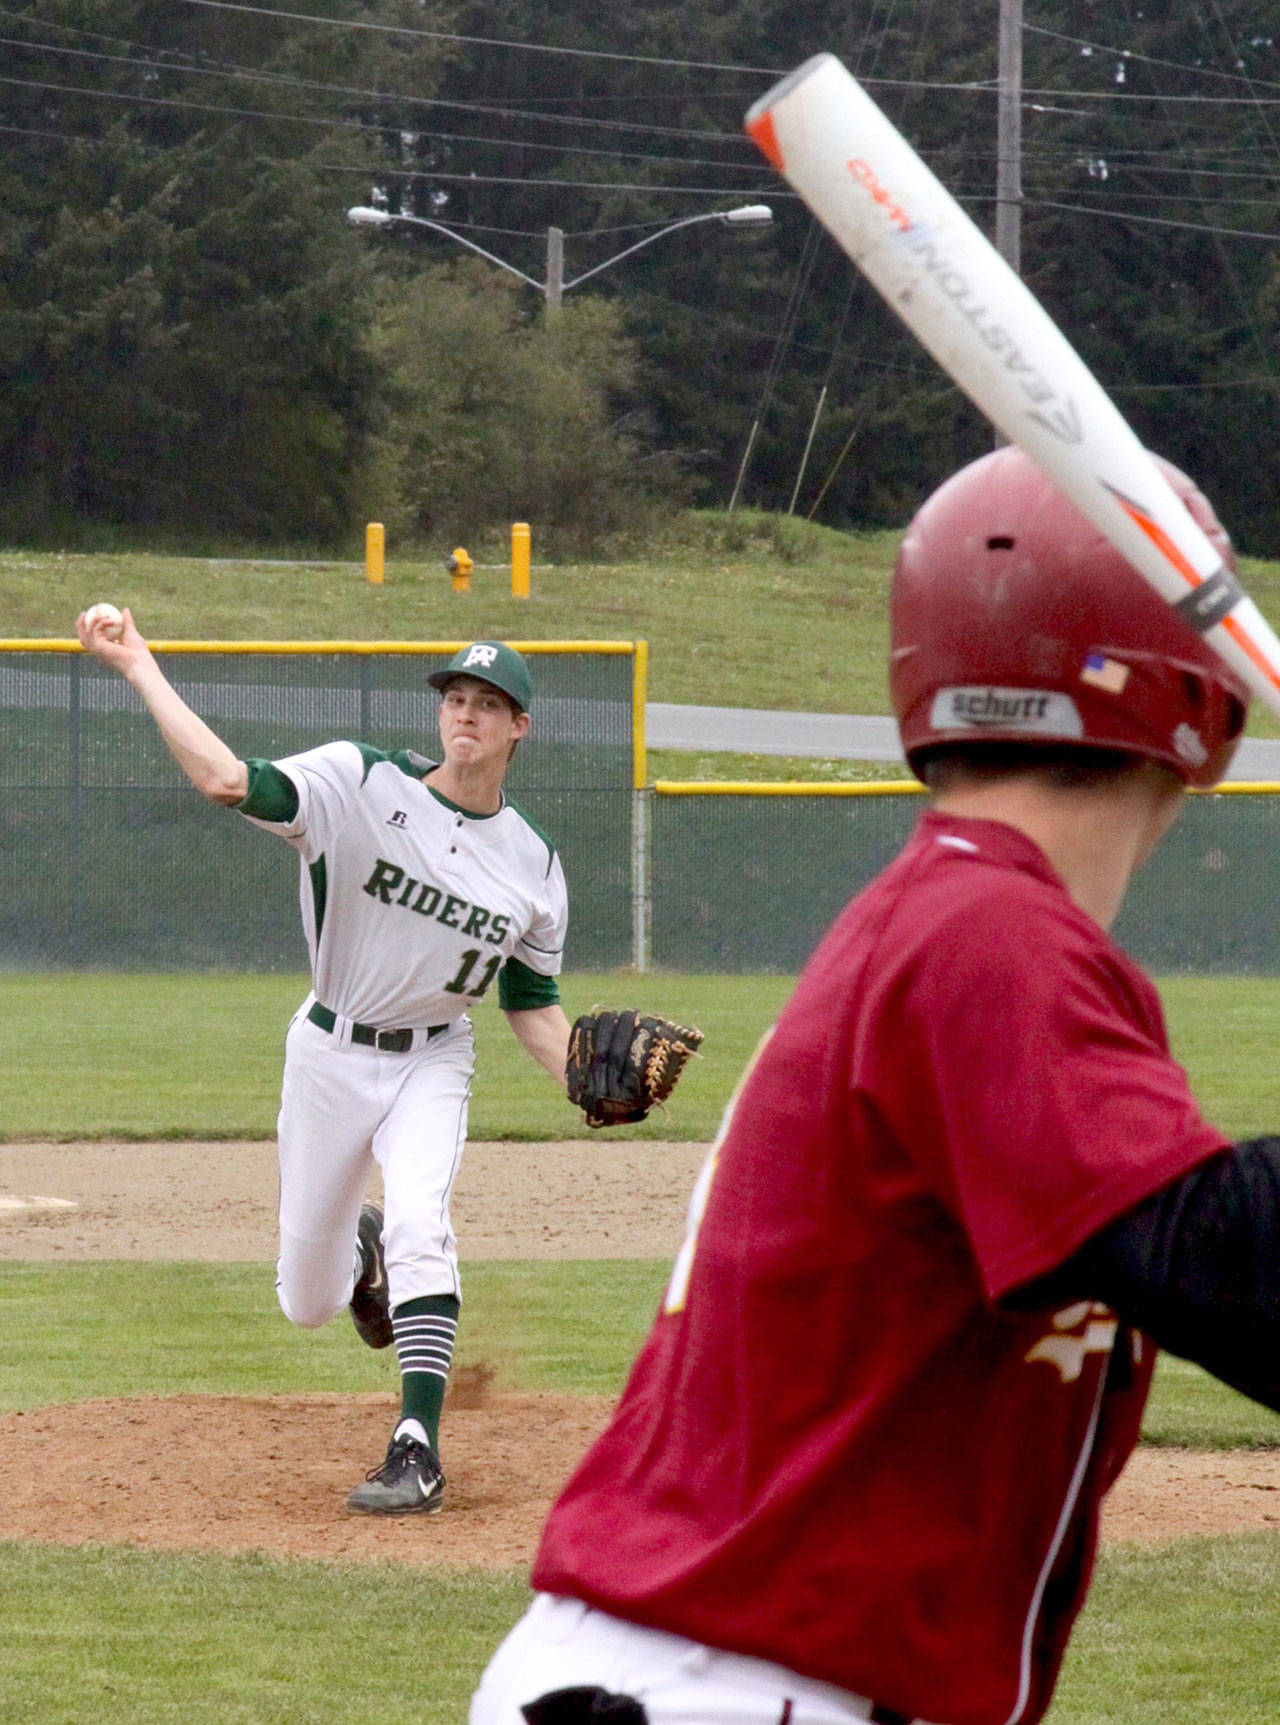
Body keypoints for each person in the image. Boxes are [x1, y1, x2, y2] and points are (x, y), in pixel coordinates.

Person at [470, 446, 1280, 1725]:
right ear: (1206, 705)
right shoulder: (984, 935)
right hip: (735, 1687)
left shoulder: (960, 917)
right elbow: (1233, 1266)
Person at [75, 623, 573, 1516]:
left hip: (432, 1056)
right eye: (455, 697)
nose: (466, 714)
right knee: (307, 1300)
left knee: (427, 1220)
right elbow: (227, 781)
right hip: (329, 1051)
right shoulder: (358, 781)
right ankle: (358, 1253)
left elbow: (531, 1006)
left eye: (487, 704)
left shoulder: (534, 863)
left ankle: (415, 1446)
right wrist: (139, 662)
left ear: (518, 728)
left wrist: (584, 1079)